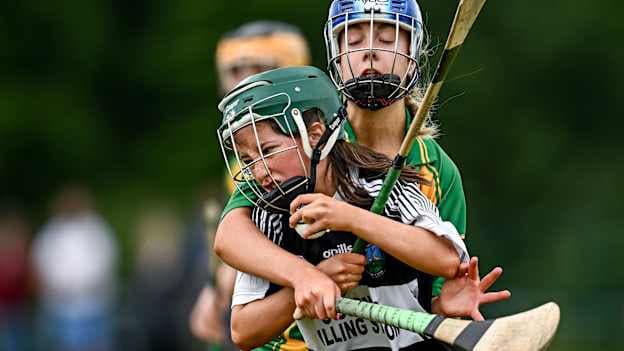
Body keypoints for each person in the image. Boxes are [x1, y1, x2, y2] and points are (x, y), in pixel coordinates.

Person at [214, 0, 509, 329]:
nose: (369, 51)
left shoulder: (436, 169)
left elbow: (436, 285)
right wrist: (307, 276)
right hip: (291, 337)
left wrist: (445, 307)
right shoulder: (309, 146)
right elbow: (231, 237)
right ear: (334, 51)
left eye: (386, 39)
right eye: (353, 41)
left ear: (413, 53)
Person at [190, 20, 312, 350]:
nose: (245, 82)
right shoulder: (240, 166)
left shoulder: (319, 143)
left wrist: (219, 290)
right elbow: (240, 240)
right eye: (235, 71)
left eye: (260, 68)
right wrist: (216, 289)